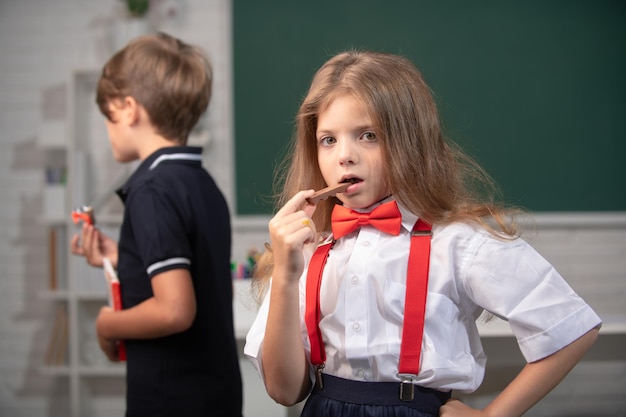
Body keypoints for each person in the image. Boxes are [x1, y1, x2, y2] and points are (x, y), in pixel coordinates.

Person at [244, 50, 601, 417]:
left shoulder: (458, 242)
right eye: (328, 140)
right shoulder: (308, 249)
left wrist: (492, 416)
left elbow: (571, 326)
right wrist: (286, 278)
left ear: (409, 141)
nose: (345, 156)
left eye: (368, 135)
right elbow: (285, 391)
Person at [70, 32, 243, 417]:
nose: (108, 127)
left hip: (171, 400)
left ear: (129, 109)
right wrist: (122, 257)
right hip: (216, 394)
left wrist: (108, 324)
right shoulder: (200, 183)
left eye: (108, 115)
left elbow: (175, 310)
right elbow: (197, 274)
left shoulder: (150, 189)